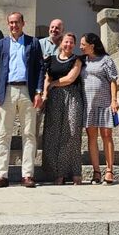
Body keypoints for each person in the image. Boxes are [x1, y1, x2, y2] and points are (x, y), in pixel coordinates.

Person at [0, 12, 45, 188]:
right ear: (8, 25)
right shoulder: (1, 44)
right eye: (11, 23)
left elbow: (41, 68)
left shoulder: (33, 42)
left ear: (23, 23)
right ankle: (2, 176)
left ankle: (27, 175)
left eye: (17, 22)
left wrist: (38, 91)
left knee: (29, 134)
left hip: (27, 91)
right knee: (4, 135)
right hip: (6, 91)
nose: (14, 25)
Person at [42, 32, 85, 185]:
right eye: (66, 42)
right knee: (53, 135)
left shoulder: (77, 60)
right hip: (54, 99)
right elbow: (47, 77)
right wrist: (45, 94)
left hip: (72, 97)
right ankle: (58, 173)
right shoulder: (51, 60)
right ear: (60, 43)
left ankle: (75, 172)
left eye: (71, 42)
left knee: (72, 133)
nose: (68, 45)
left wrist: (54, 84)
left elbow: (70, 78)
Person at [80, 33, 118, 184]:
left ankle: (109, 170)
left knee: (107, 135)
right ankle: (96, 171)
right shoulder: (82, 61)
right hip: (88, 104)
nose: (81, 47)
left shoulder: (106, 60)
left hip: (104, 103)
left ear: (92, 45)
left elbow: (113, 80)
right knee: (92, 137)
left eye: (83, 44)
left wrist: (114, 100)